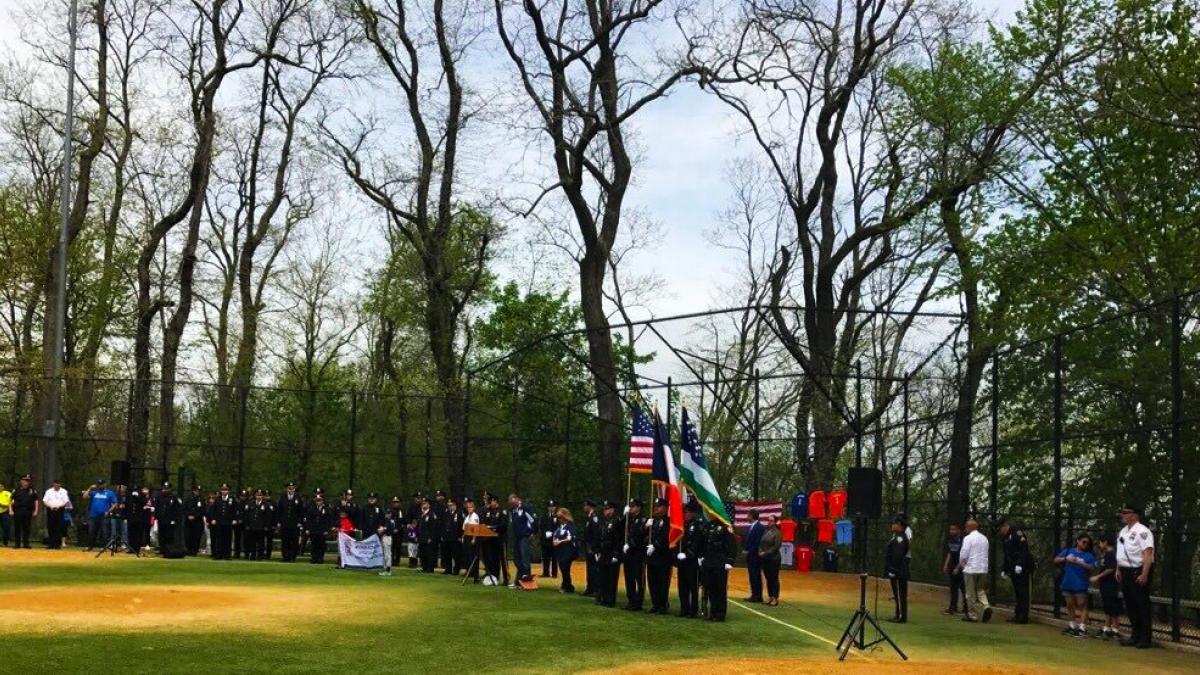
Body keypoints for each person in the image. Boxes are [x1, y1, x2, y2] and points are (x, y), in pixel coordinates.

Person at [1115, 503, 1154, 649]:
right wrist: (1118, 569)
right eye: (1122, 512)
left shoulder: (1142, 531)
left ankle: (1145, 638)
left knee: (1141, 604)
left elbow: (1148, 553)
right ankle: (1135, 635)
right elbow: (1121, 552)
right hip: (1125, 570)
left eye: (1126, 512)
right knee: (1130, 604)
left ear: (1134, 514)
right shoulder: (1123, 531)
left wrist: (1144, 573)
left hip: (1138, 569)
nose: (1123, 515)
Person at [1054, 532, 1097, 637]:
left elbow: (1092, 567)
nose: (1085, 544)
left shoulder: (1089, 555)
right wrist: (1066, 559)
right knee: (1069, 605)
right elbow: (1055, 560)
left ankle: (1082, 627)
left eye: (1087, 543)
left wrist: (1081, 563)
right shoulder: (1068, 551)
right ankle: (1072, 626)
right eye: (1083, 542)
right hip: (1068, 582)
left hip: (1081, 583)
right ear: (1078, 541)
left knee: (1082, 604)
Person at [956, 517, 993, 623]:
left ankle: (972, 615)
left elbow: (964, 554)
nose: (965, 530)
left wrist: (962, 565)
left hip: (971, 568)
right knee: (980, 590)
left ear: (969, 528)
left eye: (966, 527)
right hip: (983, 569)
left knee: (970, 593)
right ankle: (986, 606)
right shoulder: (984, 538)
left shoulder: (968, 538)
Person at [700, 517, 737, 622]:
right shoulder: (708, 526)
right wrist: (701, 556)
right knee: (710, 588)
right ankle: (713, 612)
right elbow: (704, 543)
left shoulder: (726, 527)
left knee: (720, 589)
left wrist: (730, 561)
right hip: (709, 561)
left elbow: (731, 544)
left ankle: (720, 613)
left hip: (720, 562)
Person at [998, 518, 1035, 624]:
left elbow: (1024, 550)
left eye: (1001, 529)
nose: (1000, 531)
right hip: (1013, 567)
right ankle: (1018, 614)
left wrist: (1020, 564)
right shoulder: (1005, 537)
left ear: (1005, 525)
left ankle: (1023, 616)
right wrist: (1004, 569)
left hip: (1023, 567)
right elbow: (1007, 554)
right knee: (1018, 592)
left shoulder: (1017, 533)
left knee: (1023, 591)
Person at [1091, 533, 1123, 641]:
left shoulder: (1111, 554)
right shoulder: (1106, 554)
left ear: (1105, 542)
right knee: (1108, 607)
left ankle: (1115, 630)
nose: (1099, 544)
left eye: (1100, 542)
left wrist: (1098, 577)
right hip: (1105, 585)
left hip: (1111, 585)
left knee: (1113, 607)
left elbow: (1110, 569)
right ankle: (1107, 628)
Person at [646, 497, 675, 614]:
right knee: (652, 582)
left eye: (659, 506)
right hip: (652, 557)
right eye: (656, 506)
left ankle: (662, 605)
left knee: (662, 582)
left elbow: (666, 537)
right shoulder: (655, 521)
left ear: (665, 507)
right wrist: (647, 527)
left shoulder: (669, 521)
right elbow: (648, 536)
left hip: (663, 557)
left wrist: (655, 545)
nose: (656, 508)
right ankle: (655, 604)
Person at [676, 501, 704, 618]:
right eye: (684, 512)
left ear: (692, 513)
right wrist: (677, 554)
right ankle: (684, 609)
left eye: (686, 512)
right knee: (682, 587)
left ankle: (693, 610)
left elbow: (697, 542)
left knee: (692, 587)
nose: (685, 514)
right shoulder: (682, 525)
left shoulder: (697, 525)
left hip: (691, 561)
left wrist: (688, 554)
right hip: (682, 562)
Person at [596, 500, 624, 608]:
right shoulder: (604, 522)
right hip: (604, 552)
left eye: (607, 509)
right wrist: (598, 550)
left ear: (612, 509)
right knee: (603, 577)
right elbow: (601, 538)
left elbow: (619, 539)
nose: (605, 511)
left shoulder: (617, 521)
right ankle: (603, 597)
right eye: (604, 509)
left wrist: (617, 554)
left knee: (611, 578)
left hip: (612, 552)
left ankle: (611, 599)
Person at [622, 498, 648, 611]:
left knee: (639, 578)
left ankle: (638, 602)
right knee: (629, 578)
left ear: (638, 507)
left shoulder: (643, 519)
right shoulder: (629, 519)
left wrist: (631, 545)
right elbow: (620, 528)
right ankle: (631, 599)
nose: (631, 508)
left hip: (638, 553)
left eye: (633, 506)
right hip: (628, 554)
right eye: (630, 506)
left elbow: (640, 535)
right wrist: (624, 515)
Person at [885, 517, 911, 623]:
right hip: (898, 569)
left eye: (894, 523)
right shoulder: (896, 537)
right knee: (898, 594)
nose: (892, 525)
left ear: (900, 525)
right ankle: (898, 614)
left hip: (899, 569)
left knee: (900, 594)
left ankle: (901, 616)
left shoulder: (900, 538)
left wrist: (893, 569)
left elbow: (898, 554)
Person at [509, 493, 536, 585]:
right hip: (516, 537)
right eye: (510, 503)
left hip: (525, 536)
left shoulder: (526, 508)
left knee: (525, 557)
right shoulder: (512, 510)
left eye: (513, 502)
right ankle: (521, 577)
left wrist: (533, 532)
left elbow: (533, 520)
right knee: (516, 559)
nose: (512, 504)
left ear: (517, 499)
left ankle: (526, 577)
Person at [82, 479, 116, 550]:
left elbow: (114, 504)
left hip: (104, 515)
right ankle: (89, 546)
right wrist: (89, 488)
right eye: (98, 484)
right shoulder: (94, 492)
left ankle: (102, 547)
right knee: (91, 531)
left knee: (104, 532)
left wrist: (108, 511)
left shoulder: (109, 493)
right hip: (93, 515)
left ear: (105, 484)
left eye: (101, 484)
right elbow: (84, 497)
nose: (99, 485)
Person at [480, 495, 507, 584]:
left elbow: (503, 525)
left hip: (499, 538)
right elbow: (484, 521)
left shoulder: (502, 511)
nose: (491, 503)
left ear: (496, 502)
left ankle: (503, 578)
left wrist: (493, 527)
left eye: (492, 501)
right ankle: (491, 575)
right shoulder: (488, 511)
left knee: (499, 559)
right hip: (489, 538)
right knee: (490, 557)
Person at [276, 482, 305, 563]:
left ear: (294, 489)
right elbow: (279, 510)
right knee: (285, 540)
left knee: (294, 541)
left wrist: (300, 521)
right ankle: (285, 556)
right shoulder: (283, 497)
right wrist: (279, 521)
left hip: (294, 523)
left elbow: (301, 511)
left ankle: (293, 556)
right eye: (289, 488)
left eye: (292, 488)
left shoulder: (298, 498)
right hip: (285, 522)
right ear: (287, 489)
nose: (291, 490)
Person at [758, 514, 783, 607]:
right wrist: (760, 551)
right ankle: (770, 596)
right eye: (768, 520)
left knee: (774, 578)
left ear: (775, 522)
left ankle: (775, 598)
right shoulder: (766, 531)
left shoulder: (777, 533)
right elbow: (761, 543)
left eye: (771, 520)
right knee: (768, 578)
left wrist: (766, 553)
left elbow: (776, 546)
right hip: (765, 559)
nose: (769, 522)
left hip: (774, 559)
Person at [741, 508, 765, 603]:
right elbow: (747, 540)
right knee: (752, 575)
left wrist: (749, 551)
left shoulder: (759, 527)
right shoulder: (750, 527)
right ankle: (754, 594)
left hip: (755, 556)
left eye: (748, 515)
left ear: (752, 516)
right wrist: (744, 548)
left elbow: (757, 542)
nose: (747, 517)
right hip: (750, 556)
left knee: (756, 575)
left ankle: (758, 595)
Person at [552, 507, 578, 593]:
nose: (559, 519)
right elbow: (556, 534)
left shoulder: (570, 525)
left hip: (568, 550)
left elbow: (570, 537)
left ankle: (567, 585)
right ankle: (567, 585)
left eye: (560, 517)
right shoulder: (560, 527)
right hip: (560, 551)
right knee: (562, 568)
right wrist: (555, 540)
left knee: (565, 567)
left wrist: (560, 541)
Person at [209, 483, 237, 560]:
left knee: (227, 539)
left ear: (228, 491)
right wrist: (213, 519)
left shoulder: (232, 499)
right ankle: (219, 554)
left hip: (228, 522)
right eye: (222, 490)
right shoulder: (218, 499)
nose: (224, 492)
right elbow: (213, 510)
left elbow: (235, 510)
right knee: (219, 539)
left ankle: (227, 555)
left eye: (226, 490)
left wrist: (234, 519)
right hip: (219, 522)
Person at [943, 523, 966, 615]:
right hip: (952, 566)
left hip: (961, 566)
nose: (951, 531)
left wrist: (958, 567)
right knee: (953, 587)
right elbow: (950, 553)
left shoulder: (963, 540)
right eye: (950, 529)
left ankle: (966, 608)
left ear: (958, 530)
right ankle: (953, 607)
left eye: (953, 529)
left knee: (963, 587)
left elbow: (964, 555)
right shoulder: (950, 540)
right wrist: (946, 564)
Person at [10, 474, 38, 549]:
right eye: (25, 480)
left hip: (28, 511)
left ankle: (26, 544)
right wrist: (11, 510)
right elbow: (11, 500)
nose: (26, 482)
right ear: (21, 481)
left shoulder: (32, 490)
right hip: (18, 511)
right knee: (17, 528)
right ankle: (17, 544)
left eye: (28, 481)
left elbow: (36, 500)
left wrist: (36, 510)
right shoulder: (16, 490)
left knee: (27, 528)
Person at [42, 478, 71, 549]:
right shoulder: (49, 491)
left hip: (60, 510)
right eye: (55, 483)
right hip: (50, 510)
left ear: (60, 484)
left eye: (58, 483)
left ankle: (57, 544)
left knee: (59, 527)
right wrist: (49, 506)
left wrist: (60, 506)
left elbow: (66, 501)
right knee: (51, 526)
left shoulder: (64, 491)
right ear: (53, 484)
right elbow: (44, 501)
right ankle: (51, 544)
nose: (57, 485)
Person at [305, 493, 334, 564]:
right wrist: (308, 529)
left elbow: (328, 520)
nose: (318, 502)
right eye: (317, 500)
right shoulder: (311, 509)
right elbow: (308, 520)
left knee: (321, 545)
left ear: (322, 501)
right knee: (314, 545)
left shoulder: (326, 509)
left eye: (320, 500)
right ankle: (314, 558)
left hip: (322, 530)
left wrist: (327, 530)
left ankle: (320, 558)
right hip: (313, 530)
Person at [245, 489, 273, 560]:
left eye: (260, 495)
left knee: (261, 542)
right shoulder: (250, 503)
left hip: (261, 527)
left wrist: (266, 526)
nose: (258, 497)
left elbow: (268, 517)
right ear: (255, 495)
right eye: (257, 495)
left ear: (262, 496)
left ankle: (260, 555)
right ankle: (253, 555)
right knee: (252, 542)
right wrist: (247, 525)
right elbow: (247, 515)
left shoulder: (266, 505)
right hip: (252, 526)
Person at [581, 499, 601, 597]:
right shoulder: (589, 518)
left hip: (592, 547)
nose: (584, 507)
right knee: (589, 568)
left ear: (590, 507)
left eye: (586, 506)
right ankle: (590, 587)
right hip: (588, 546)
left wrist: (593, 547)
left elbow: (596, 534)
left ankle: (595, 588)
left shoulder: (594, 518)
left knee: (594, 568)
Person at [155, 483, 182, 551]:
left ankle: (169, 549)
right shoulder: (159, 497)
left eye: (167, 488)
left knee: (169, 535)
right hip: (161, 519)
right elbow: (157, 508)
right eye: (164, 488)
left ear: (170, 489)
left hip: (170, 519)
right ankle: (162, 549)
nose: (165, 490)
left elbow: (177, 509)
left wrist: (174, 519)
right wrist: (157, 517)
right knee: (161, 535)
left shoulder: (174, 497)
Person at [439, 498, 464, 575]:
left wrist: (460, 536)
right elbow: (442, 525)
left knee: (456, 555)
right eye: (449, 505)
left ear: (455, 505)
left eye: (451, 505)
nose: (450, 507)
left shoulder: (459, 513)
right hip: (446, 537)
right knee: (447, 554)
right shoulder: (446, 513)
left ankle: (456, 570)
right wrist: (442, 535)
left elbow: (462, 526)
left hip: (455, 538)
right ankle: (448, 569)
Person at [417, 497, 440, 573]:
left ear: (429, 505)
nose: (423, 505)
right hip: (422, 537)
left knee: (429, 553)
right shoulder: (422, 514)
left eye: (425, 503)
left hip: (429, 538)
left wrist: (431, 537)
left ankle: (430, 569)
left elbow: (434, 527)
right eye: (423, 503)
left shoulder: (431, 514)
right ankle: (424, 567)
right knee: (422, 553)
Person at [183, 485, 206, 555]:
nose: (197, 492)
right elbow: (184, 509)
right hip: (188, 521)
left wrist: (195, 516)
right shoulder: (188, 499)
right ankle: (188, 549)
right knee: (188, 536)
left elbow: (203, 510)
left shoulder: (201, 500)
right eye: (196, 491)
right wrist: (188, 515)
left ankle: (195, 550)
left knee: (196, 536)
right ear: (193, 491)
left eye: (198, 491)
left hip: (198, 521)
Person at [461, 497, 480, 581]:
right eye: (468, 507)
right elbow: (464, 528)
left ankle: (476, 576)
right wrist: (463, 536)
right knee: (467, 556)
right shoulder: (467, 517)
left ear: (474, 508)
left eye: (471, 507)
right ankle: (470, 573)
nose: (469, 509)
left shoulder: (475, 516)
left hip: (472, 537)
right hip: (466, 537)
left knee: (473, 557)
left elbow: (476, 528)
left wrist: (474, 538)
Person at [540, 500, 559, 579]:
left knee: (554, 557)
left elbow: (559, 527)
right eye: (550, 507)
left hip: (554, 540)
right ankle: (545, 572)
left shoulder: (557, 516)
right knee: (545, 557)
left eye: (553, 507)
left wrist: (553, 533)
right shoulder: (544, 516)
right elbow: (541, 526)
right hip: (545, 540)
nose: (551, 508)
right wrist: (545, 533)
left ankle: (554, 573)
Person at [126, 484, 147, 552]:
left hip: (139, 516)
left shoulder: (142, 495)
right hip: (131, 516)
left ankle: (137, 548)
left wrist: (137, 497)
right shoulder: (129, 495)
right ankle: (131, 548)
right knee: (131, 533)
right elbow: (127, 505)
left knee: (138, 533)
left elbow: (143, 503)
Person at [388, 496, 406, 569]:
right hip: (391, 532)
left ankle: (397, 561)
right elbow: (388, 520)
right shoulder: (389, 510)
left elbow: (404, 521)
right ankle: (391, 560)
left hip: (399, 532)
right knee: (391, 547)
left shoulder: (402, 511)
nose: (396, 504)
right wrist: (392, 529)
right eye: (394, 502)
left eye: (397, 502)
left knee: (398, 547)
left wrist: (398, 529)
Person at [232, 489, 249, 559]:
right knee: (237, 539)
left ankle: (246, 553)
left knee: (246, 539)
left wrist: (243, 520)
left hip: (245, 524)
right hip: (237, 523)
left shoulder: (249, 503)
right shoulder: (236, 503)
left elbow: (248, 514)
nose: (243, 497)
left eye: (244, 496)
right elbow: (235, 512)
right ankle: (237, 553)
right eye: (242, 496)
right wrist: (237, 520)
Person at [0, 481, 11, 547]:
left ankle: (5, 542)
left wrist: (4, 505)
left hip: (5, 513)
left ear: (3, 487)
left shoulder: (8, 493)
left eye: (1, 486)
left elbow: (12, 502)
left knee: (6, 527)